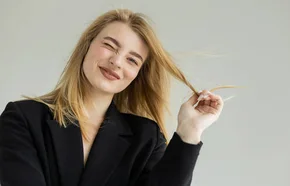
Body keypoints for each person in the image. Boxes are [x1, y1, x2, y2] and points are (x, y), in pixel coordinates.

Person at [0, 8, 229, 186]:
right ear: (87, 45)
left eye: (132, 60)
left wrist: (189, 130)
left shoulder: (146, 138)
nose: (116, 62)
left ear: (137, 74)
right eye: (110, 46)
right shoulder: (23, 118)